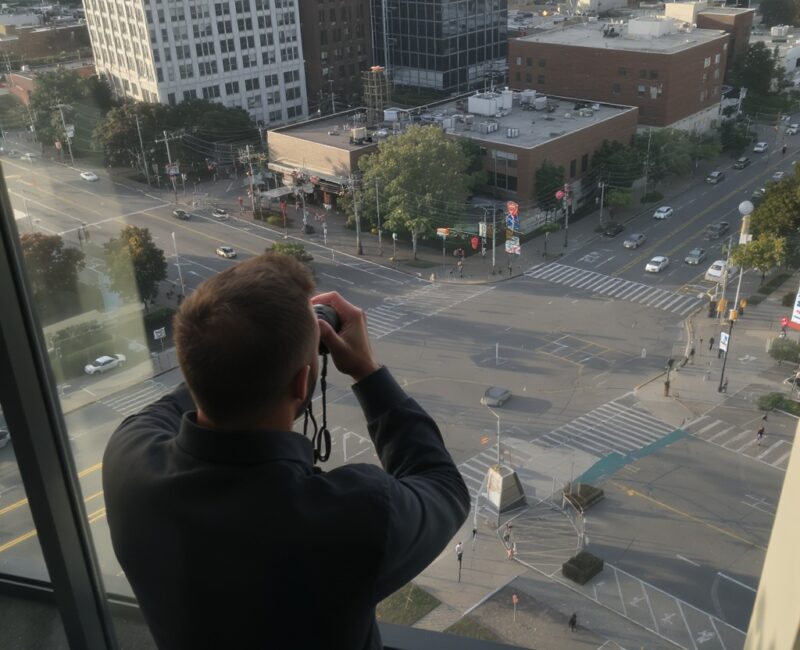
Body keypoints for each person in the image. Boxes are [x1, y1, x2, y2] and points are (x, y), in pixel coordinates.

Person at [102, 253, 470, 650]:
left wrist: (249, 345)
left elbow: (200, 382)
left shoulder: (128, 459)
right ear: (302, 383)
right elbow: (443, 486)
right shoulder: (351, 517)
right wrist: (366, 370)